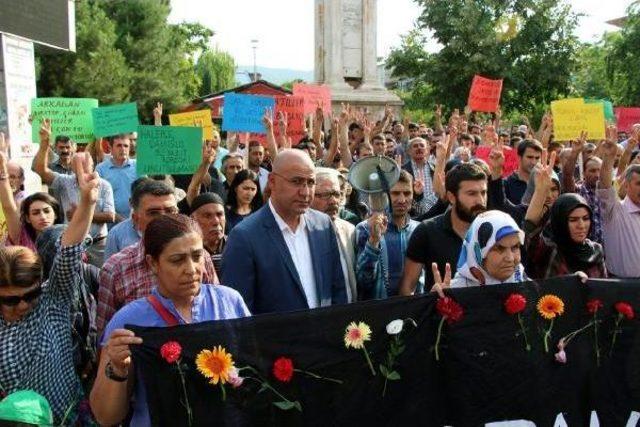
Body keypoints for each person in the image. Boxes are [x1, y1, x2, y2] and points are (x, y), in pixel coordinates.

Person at [90, 214, 250, 427]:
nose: (191, 269)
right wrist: (117, 368)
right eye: (177, 260)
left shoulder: (229, 302)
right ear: (152, 263)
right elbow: (106, 416)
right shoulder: (129, 321)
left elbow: (253, 377)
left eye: (196, 256)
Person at [0, 154, 98, 424]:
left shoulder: (51, 301)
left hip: (67, 416)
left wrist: (88, 203)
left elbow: (68, 251)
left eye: (29, 295)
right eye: (10, 300)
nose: (22, 305)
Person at [221, 149, 347, 314]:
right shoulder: (244, 237)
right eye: (296, 181)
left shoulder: (323, 224)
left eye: (310, 182)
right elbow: (237, 312)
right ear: (272, 181)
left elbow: (337, 289)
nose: (305, 192)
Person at [33, 119, 115, 266]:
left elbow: (110, 216)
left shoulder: (104, 185)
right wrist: (44, 143)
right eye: (79, 165)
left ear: (93, 165)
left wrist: (81, 213)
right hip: (71, 245)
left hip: (98, 245)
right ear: (72, 167)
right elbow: (41, 170)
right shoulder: (65, 182)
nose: (83, 168)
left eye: (86, 165)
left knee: (98, 282)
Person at [399, 163, 487, 295]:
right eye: (472, 194)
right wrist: (432, 298)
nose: (480, 200)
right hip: (440, 313)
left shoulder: (494, 230)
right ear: (452, 197)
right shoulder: (427, 231)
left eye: (483, 192)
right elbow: (407, 288)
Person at [355, 170, 421, 299]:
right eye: (395, 193)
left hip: (413, 310)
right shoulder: (364, 228)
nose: (402, 199)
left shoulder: (419, 229)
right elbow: (363, 281)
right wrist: (373, 241)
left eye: (407, 193)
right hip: (378, 311)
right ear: (384, 195)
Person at [436, 210, 527, 289]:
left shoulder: (525, 285)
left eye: (515, 247)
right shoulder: (455, 292)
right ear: (478, 253)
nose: (510, 258)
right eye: (500, 248)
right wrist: (438, 303)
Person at [596, 126, 640, 278]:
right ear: (626, 186)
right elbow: (605, 187)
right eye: (639, 183)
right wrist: (608, 158)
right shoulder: (614, 211)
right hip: (621, 292)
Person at [1, 151, 63, 251]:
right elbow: (8, 208)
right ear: (27, 218)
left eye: (47, 211)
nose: (43, 217)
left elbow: (8, 207)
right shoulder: (22, 239)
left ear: (55, 214)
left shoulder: (64, 241)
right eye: (35, 213)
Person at [311, 167, 357, 302]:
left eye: (337, 194)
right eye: (326, 195)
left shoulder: (349, 230)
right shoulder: (301, 234)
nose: (333, 201)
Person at [104, 178, 175, 261]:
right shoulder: (116, 236)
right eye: (153, 213)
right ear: (136, 219)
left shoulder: (190, 245)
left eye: (170, 211)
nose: (163, 218)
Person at [562, 133, 604, 245]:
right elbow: (567, 175)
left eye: (600, 170)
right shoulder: (578, 192)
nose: (597, 174)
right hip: (583, 249)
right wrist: (575, 152)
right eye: (593, 170)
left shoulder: (609, 194)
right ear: (583, 173)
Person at [95, 134, 138, 223]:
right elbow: (99, 199)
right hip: (110, 224)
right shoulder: (100, 169)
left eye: (126, 146)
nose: (123, 149)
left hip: (135, 222)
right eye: (119, 145)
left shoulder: (138, 166)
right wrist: (120, 220)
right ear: (110, 148)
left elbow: (144, 192)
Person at [190, 193, 227, 275]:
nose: (216, 221)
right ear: (193, 219)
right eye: (207, 216)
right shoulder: (187, 249)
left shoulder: (236, 245)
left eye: (220, 214)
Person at [504, 139, 543, 205]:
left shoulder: (545, 183)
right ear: (519, 158)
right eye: (530, 157)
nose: (534, 162)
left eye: (537, 158)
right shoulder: (506, 184)